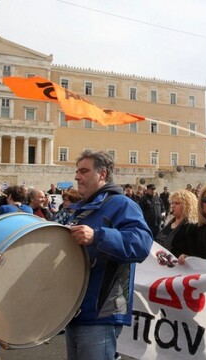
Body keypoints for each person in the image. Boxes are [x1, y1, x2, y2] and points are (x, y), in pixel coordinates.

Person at [65, 150, 152, 360]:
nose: (77, 176)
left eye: (84, 171)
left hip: (101, 311)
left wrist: (97, 235)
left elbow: (141, 245)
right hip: (75, 310)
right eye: (77, 171)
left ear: (102, 174)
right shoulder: (81, 209)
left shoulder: (122, 204)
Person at [155, 190, 198, 255]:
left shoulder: (191, 227)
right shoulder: (169, 223)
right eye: (172, 203)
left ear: (187, 206)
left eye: (177, 203)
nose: (172, 206)